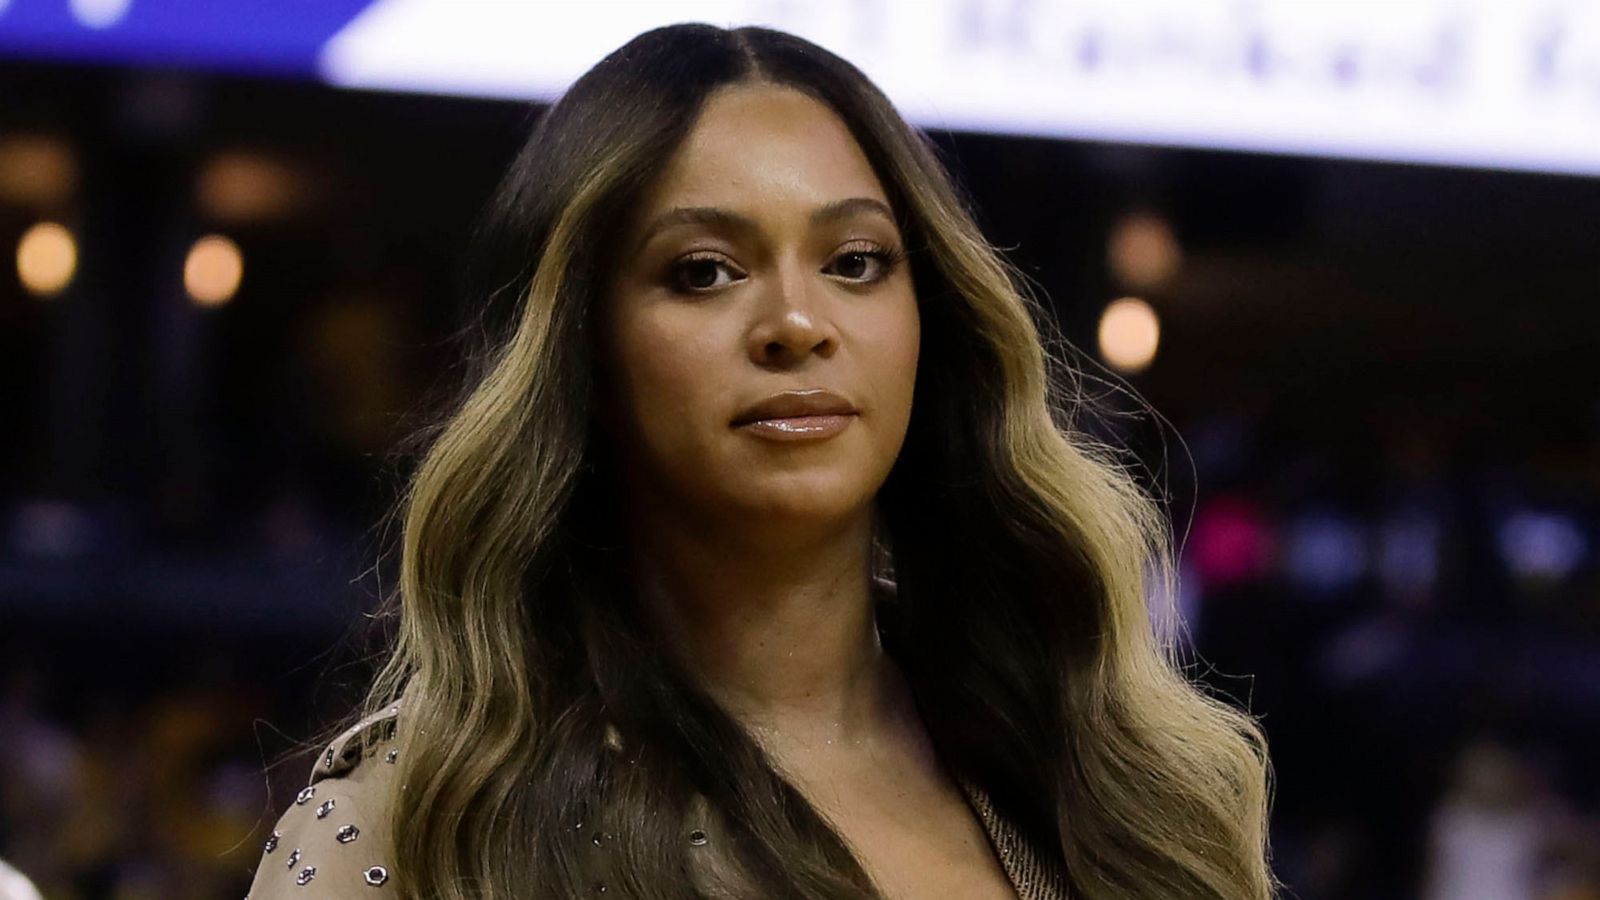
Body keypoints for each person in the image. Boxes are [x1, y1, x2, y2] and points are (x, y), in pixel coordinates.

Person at [247, 22, 1274, 900]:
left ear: (932, 324)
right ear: (579, 351)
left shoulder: (1129, 783)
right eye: (703, 272)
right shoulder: (418, 826)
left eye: (854, 263)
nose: (795, 322)